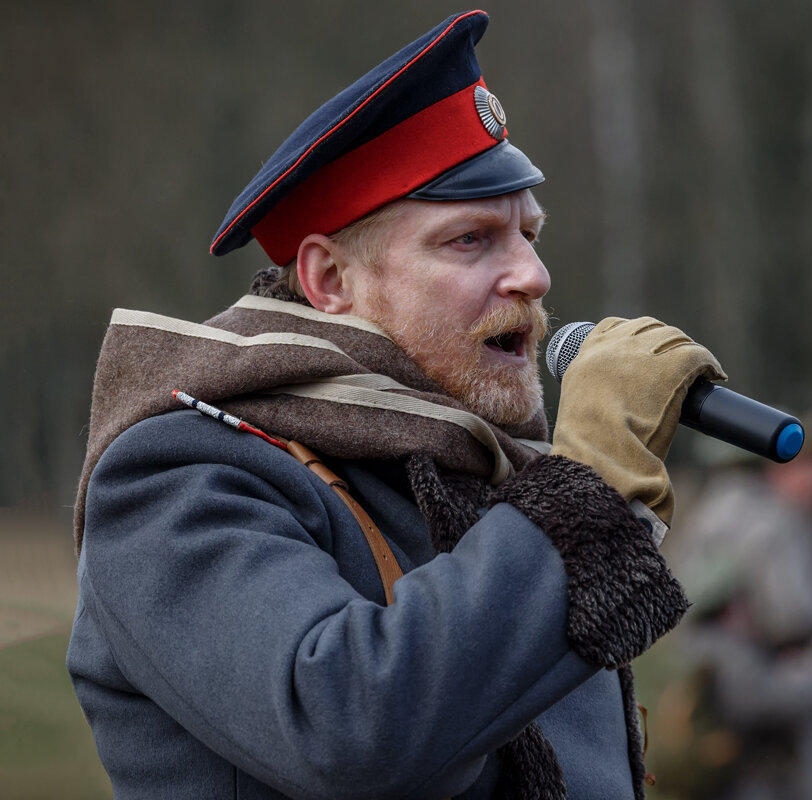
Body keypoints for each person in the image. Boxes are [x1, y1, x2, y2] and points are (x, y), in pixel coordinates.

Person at [67, 11, 724, 799]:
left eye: (530, 235)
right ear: (331, 282)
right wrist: (592, 482)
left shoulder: (492, 477)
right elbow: (346, 727)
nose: (532, 275)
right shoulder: (174, 476)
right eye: (471, 240)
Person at [664, 411, 812, 799]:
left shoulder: (701, 516)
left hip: (709, 699)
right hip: (768, 696)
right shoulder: (772, 518)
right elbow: (792, 615)